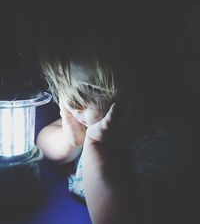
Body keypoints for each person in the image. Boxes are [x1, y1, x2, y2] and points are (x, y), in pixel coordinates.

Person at [36, 25, 195, 224]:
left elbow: (115, 218)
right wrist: (70, 141)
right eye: (68, 88)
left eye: (92, 89)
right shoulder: (86, 119)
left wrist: (96, 144)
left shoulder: (161, 139)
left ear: (138, 90)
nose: (74, 104)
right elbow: (43, 143)